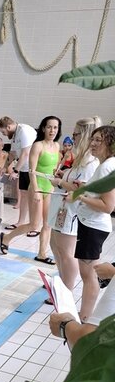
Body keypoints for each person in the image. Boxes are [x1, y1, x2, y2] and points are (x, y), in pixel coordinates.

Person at [48, 117, 101, 293]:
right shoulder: (81, 158)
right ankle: (62, 284)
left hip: (72, 211)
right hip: (62, 208)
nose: (72, 138)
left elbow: (83, 189)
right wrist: (63, 176)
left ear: (84, 135)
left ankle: (66, 291)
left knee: (65, 252)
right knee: (55, 246)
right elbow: (75, 181)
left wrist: (60, 182)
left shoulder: (91, 162)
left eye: (75, 134)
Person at [0, 116, 61, 263]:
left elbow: (53, 169)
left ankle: (42, 254)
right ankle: (7, 238)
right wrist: (36, 191)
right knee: (34, 225)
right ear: (43, 128)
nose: (52, 130)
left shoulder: (57, 146)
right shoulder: (38, 145)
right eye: (49, 127)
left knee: (47, 224)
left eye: (55, 127)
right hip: (37, 186)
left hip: (49, 188)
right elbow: (31, 171)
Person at [73, 124, 115, 321]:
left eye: (99, 140)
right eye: (93, 139)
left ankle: (85, 317)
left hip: (93, 226)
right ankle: (86, 314)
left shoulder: (107, 166)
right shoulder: (106, 164)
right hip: (92, 225)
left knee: (89, 275)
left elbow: (108, 206)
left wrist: (79, 196)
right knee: (91, 273)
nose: (93, 143)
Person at [0, 115, 37, 227]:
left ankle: (34, 225)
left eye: (3, 132)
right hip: (24, 168)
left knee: (33, 197)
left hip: (33, 168)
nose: (4, 134)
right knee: (24, 195)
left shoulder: (24, 131)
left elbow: (26, 153)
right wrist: (5, 167)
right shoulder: (15, 134)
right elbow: (12, 153)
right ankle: (21, 222)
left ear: (8, 127)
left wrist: (15, 171)